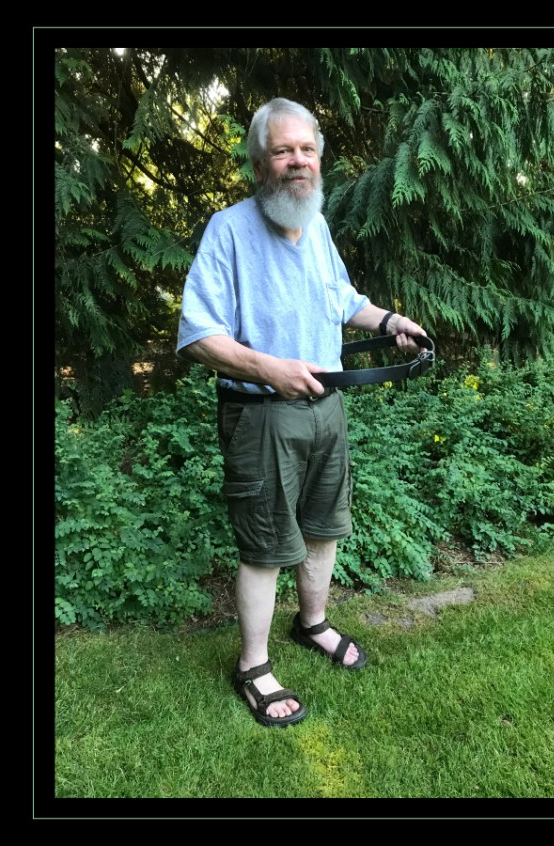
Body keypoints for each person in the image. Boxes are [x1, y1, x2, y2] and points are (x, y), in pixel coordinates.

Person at [176, 97, 429, 727]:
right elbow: (198, 335)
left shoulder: (315, 225)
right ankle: (253, 666)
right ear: (259, 163)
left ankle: (311, 623)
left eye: (307, 149)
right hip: (261, 414)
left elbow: (341, 298)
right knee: (265, 547)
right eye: (283, 150)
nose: (298, 161)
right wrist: (271, 370)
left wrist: (390, 322)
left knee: (324, 528)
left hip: (326, 409)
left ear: (319, 159)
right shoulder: (228, 230)